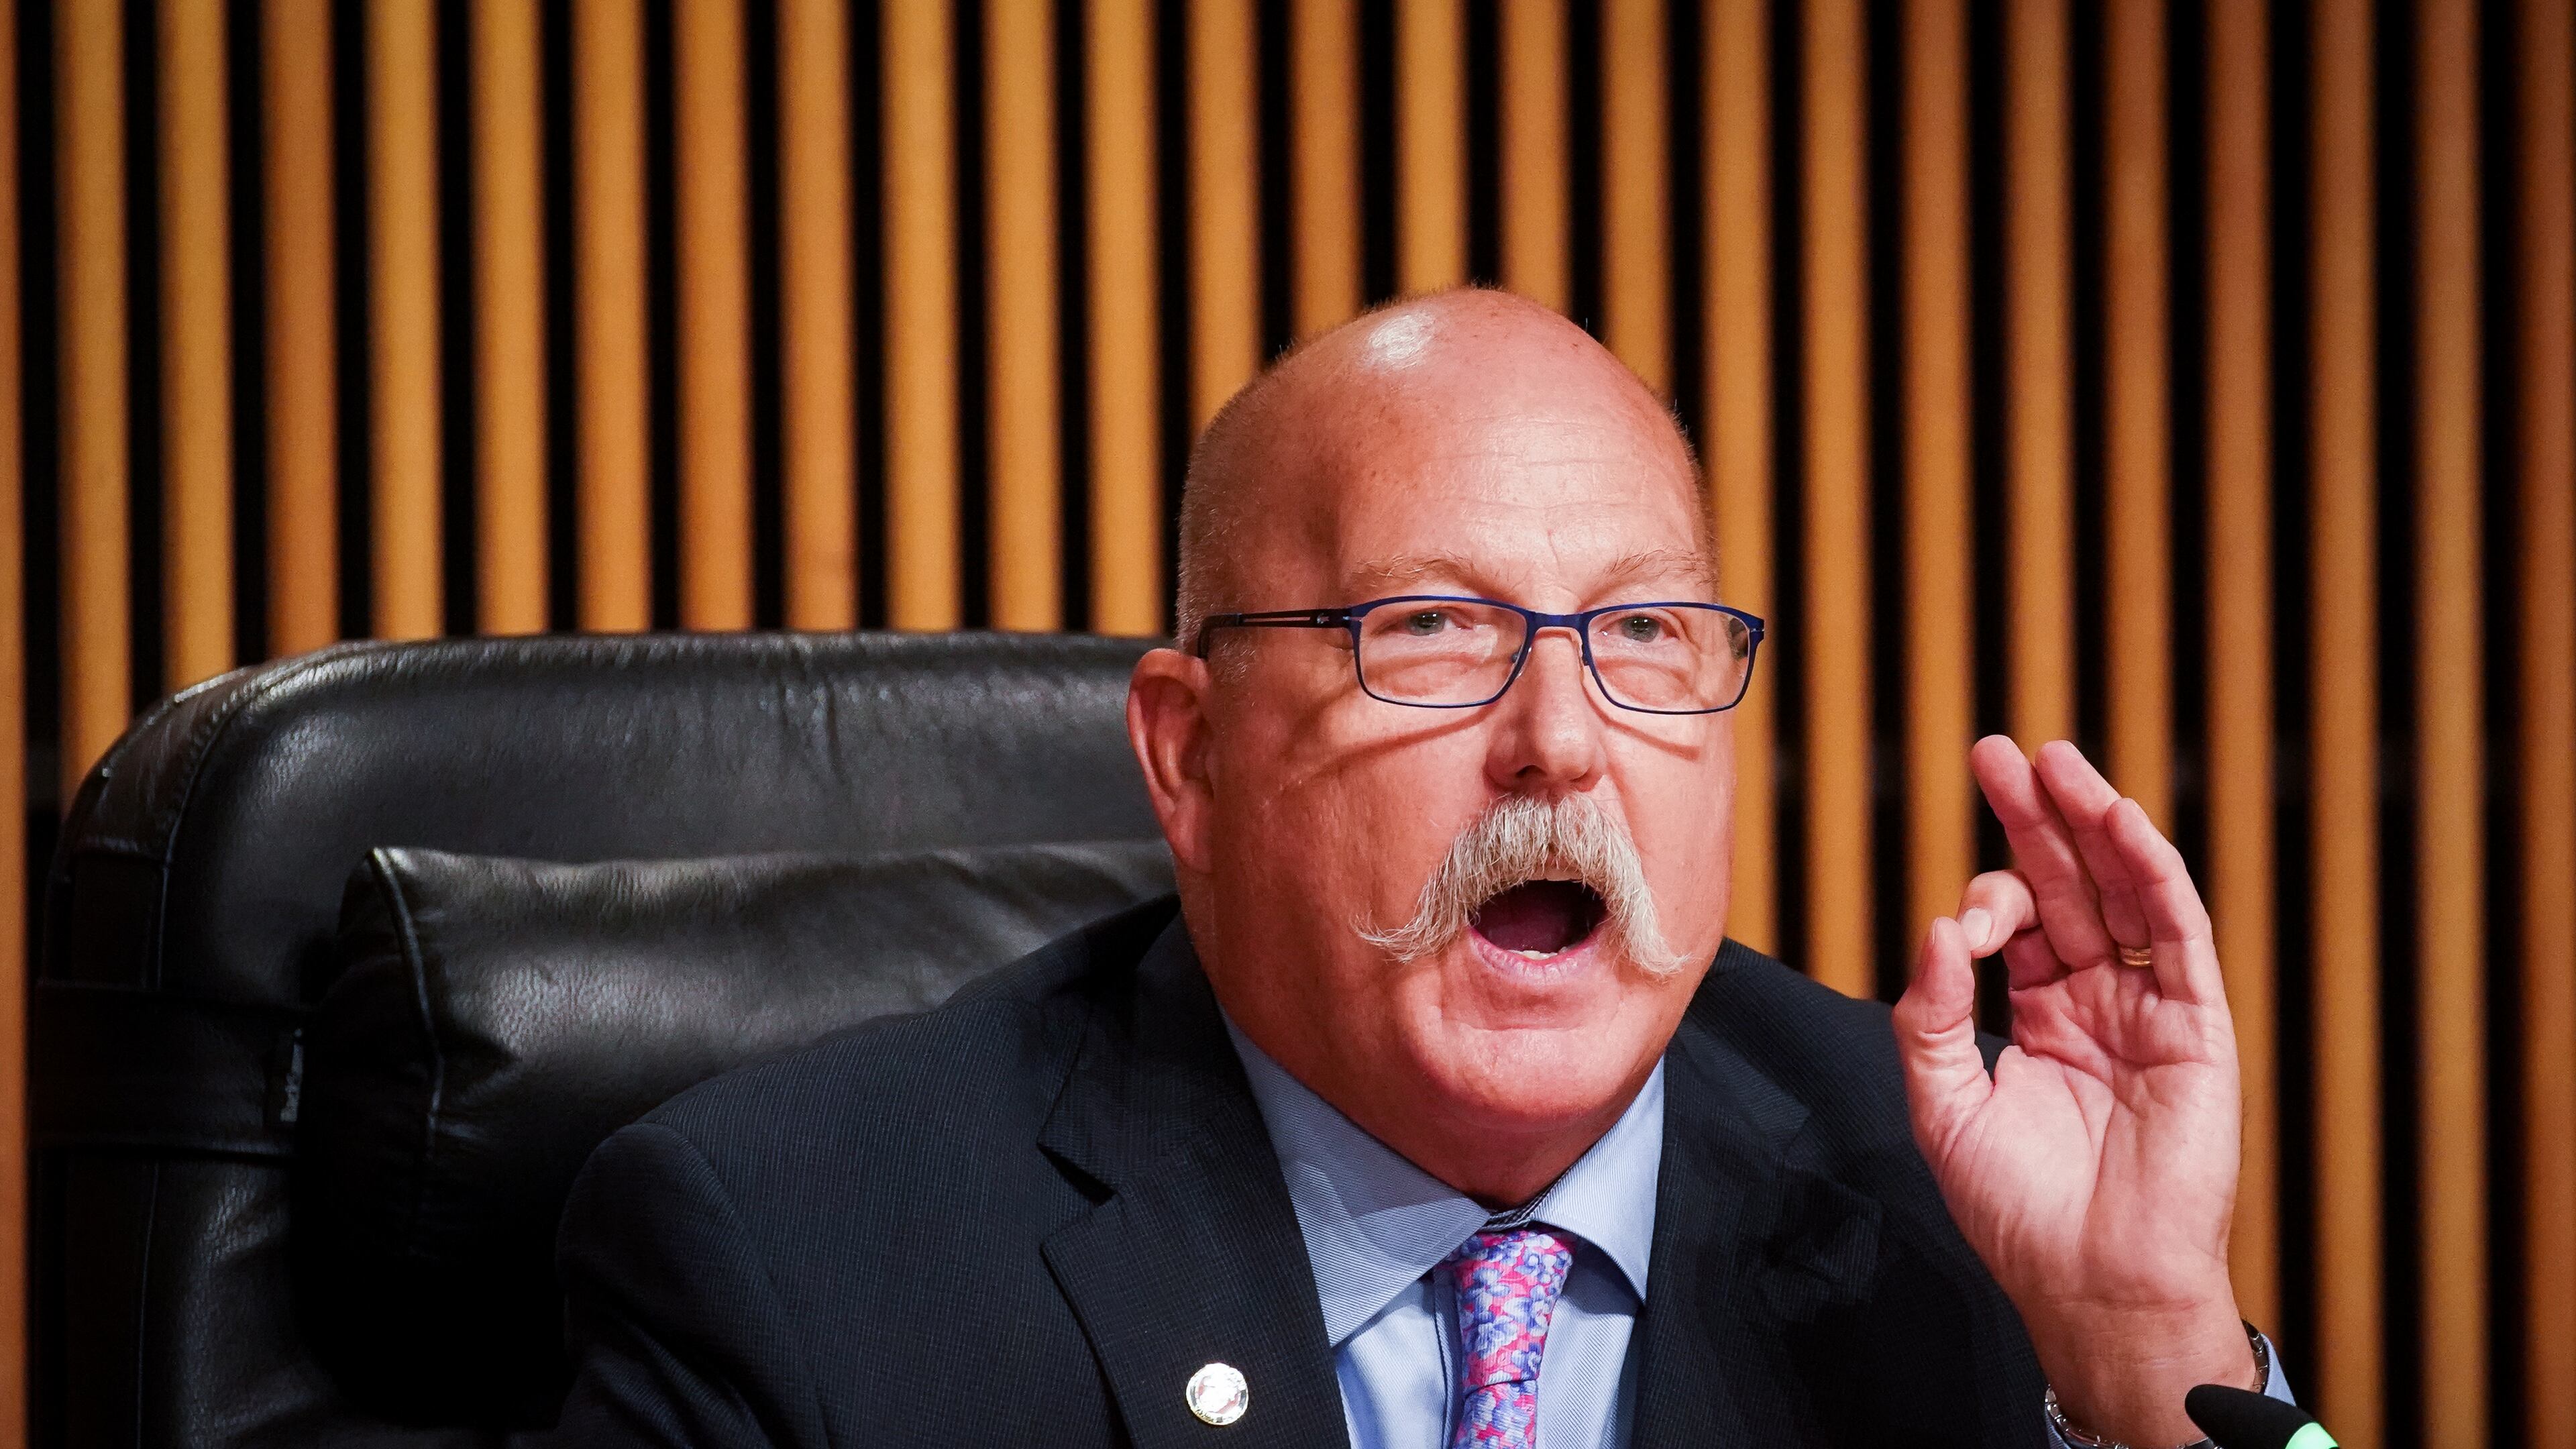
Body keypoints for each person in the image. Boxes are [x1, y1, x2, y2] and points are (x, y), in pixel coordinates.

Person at [547, 289, 2290, 1448]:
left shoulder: (1969, 1223)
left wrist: (2149, 1354)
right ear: (1191, 752)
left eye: (1644, 634)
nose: (1562, 738)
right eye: (1434, 634)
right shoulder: (801, 1259)